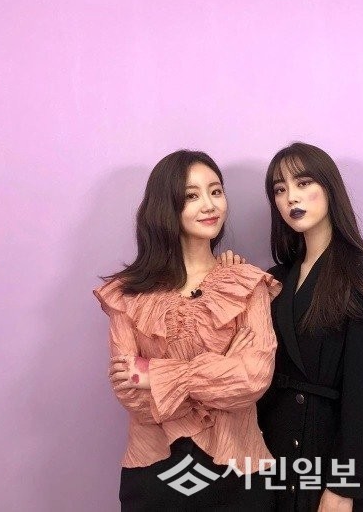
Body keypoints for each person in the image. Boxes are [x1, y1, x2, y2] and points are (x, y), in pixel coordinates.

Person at [93, 150, 281, 511]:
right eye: (191, 196)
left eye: (216, 191)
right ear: (166, 207)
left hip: (238, 472)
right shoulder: (127, 294)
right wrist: (222, 368)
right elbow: (133, 396)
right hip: (156, 471)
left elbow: (252, 380)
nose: (209, 205)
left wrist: (156, 374)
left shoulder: (246, 284)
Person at [223, 142, 363, 511]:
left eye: (303, 183)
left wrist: (345, 486)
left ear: (329, 188)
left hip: (324, 456)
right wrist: (229, 285)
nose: (291, 197)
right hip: (269, 452)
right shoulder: (274, 279)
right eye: (280, 189)